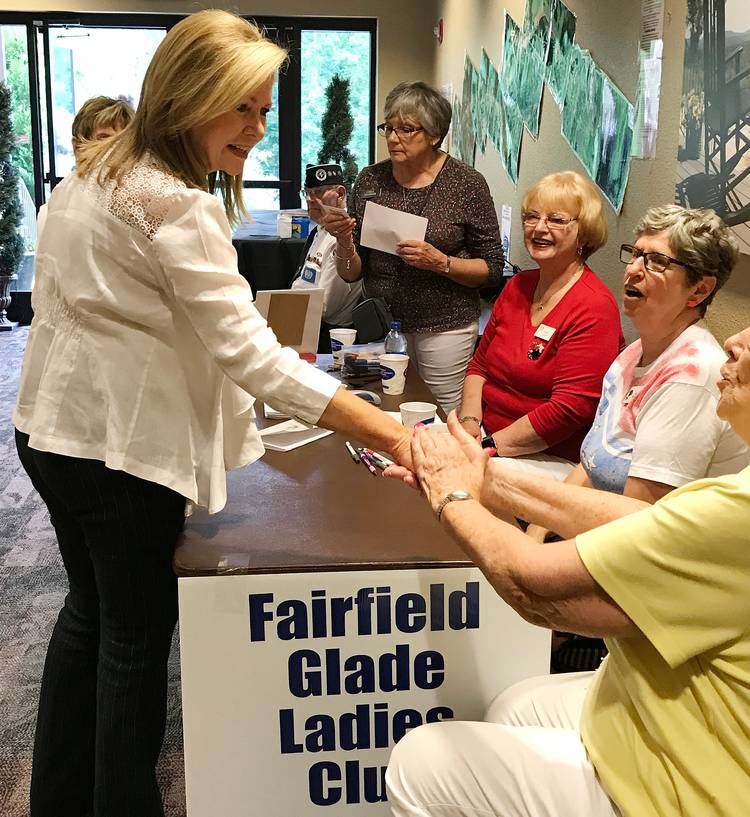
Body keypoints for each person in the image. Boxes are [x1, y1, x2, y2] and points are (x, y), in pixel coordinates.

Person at [13, 12, 412, 817]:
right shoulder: (175, 204)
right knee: (133, 635)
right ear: (196, 94)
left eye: (266, 110)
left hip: (47, 431)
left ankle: (60, 798)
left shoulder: (88, 175)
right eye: (248, 108)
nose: (260, 130)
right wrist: (393, 430)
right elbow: (253, 355)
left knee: (88, 613)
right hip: (118, 450)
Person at [386, 321, 750, 817]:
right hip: (664, 705)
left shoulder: (737, 504)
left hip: (691, 787)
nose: (735, 340)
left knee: (420, 761)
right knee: (516, 705)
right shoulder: (733, 489)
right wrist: (484, 476)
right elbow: (650, 518)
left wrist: (450, 490)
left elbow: (534, 590)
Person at [525, 204, 748, 542]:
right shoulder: (632, 355)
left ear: (699, 290)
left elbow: (639, 525)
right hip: (596, 533)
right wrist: (535, 533)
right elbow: (590, 467)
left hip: (641, 553)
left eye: (657, 261)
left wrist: (533, 555)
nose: (633, 271)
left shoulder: (692, 375)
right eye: (635, 254)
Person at [323, 80, 505, 411]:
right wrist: (344, 239)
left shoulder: (465, 184)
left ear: (435, 135)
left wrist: (441, 262)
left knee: (439, 410)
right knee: (387, 406)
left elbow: (492, 269)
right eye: (388, 128)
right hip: (382, 323)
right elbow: (351, 274)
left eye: (407, 129)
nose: (393, 138)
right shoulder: (370, 180)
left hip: (444, 326)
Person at [457, 171, 623, 481]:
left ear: (584, 234)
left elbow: (569, 410)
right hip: (486, 439)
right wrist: (468, 424)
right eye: (532, 217)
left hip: (547, 459)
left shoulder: (593, 306)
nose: (540, 228)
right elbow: (479, 366)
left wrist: (487, 448)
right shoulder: (518, 285)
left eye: (557, 220)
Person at [37, 95, 135, 236]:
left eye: (123, 141)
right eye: (105, 139)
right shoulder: (52, 214)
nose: (116, 149)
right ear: (78, 148)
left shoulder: (141, 207)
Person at [291, 163, 362, 352]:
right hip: (308, 327)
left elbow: (327, 307)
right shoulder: (319, 231)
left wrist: (285, 309)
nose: (309, 199)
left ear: (339, 193)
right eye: (306, 192)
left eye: (318, 193)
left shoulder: (343, 235)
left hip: (329, 340)